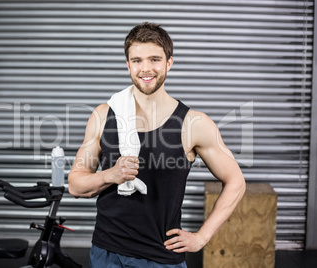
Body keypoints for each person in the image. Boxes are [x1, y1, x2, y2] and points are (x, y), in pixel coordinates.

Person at [68, 22, 246, 268]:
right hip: (106, 252)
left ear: (169, 63)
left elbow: (236, 181)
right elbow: (76, 185)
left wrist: (201, 237)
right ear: (128, 65)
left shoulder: (193, 124)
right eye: (137, 60)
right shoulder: (103, 115)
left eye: (154, 59)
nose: (146, 68)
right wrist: (110, 175)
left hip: (160, 258)